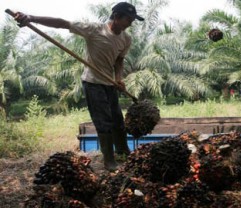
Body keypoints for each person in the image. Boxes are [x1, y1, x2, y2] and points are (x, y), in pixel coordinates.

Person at [14, 2, 145, 170]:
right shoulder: (94, 29)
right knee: (104, 122)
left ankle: (123, 150)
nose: (131, 24)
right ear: (117, 17)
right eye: (129, 19)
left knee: (118, 120)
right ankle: (109, 160)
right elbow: (62, 23)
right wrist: (31, 18)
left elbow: (119, 60)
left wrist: (119, 79)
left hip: (110, 84)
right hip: (93, 83)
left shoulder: (126, 39)